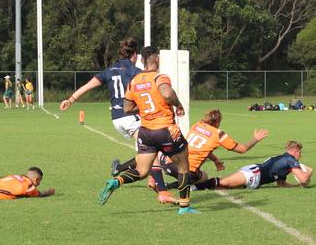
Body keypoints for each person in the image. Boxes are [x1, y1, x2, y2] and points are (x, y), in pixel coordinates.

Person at [98, 49, 198, 215]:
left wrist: (144, 107)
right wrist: (178, 105)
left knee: (142, 171)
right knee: (183, 165)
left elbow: (127, 108)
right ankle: (184, 206)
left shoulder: (134, 81)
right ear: (156, 59)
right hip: (165, 129)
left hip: (146, 132)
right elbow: (167, 93)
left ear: (142, 61)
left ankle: (116, 181)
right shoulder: (159, 77)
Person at [151, 109, 269, 191]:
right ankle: (171, 186)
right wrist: (256, 139)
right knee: (204, 177)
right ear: (217, 122)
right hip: (186, 171)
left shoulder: (197, 125)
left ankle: (154, 178)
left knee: (158, 151)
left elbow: (199, 147)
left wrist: (215, 160)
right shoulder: (218, 134)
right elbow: (242, 149)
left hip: (168, 164)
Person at [60, 37, 143, 139]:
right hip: (130, 117)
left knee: (146, 150)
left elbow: (87, 86)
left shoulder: (109, 70)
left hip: (116, 118)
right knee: (154, 146)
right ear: (135, 54)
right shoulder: (136, 71)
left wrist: (70, 100)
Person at [193, 141, 314, 190]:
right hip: (253, 174)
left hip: (255, 177)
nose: (301, 156)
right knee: (225, 182)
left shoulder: (285, 160)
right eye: (300, 153)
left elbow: (280, 183)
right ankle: (193, 188)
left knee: (225, 187)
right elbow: (304, 180)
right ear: (295, 151)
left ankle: (195, 186)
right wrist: (309, 171)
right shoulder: (290, 159)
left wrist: (294, 186)